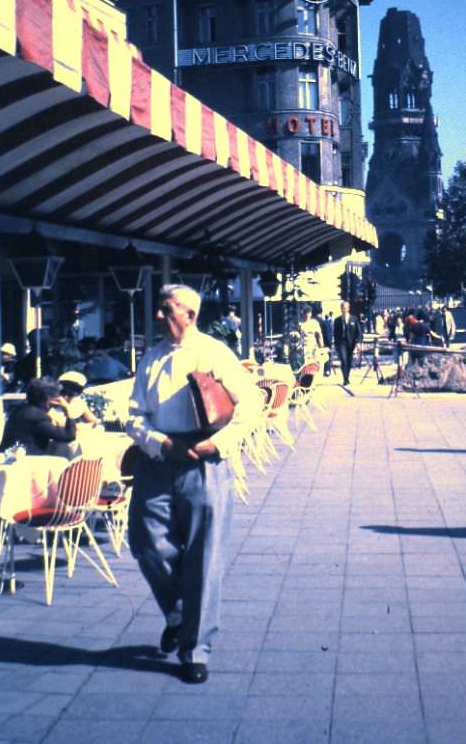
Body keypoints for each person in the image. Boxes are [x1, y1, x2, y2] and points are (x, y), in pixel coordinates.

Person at [127, 284, 264, 684]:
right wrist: (160, 443)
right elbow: (134, 415)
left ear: (189, 314)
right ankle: (179, 613)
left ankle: (195, 650)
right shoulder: (150, 359)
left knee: (204, 555)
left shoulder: (214, 353)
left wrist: (215, 444)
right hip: (159, 459)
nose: (158, 316)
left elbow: (251, 405)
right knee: (146, 541)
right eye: (159, 309)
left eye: (166, 309)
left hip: (205, 462)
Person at [0, 377, 78, 455]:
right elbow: (69, 436)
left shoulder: (21, 410)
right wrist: (67, 410)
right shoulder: (38, 417)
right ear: (49, 398)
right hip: (24, 459)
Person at [333, 301, 362, 386]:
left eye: (345, 308)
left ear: (348, 309)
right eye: (342, 308)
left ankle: (347, 377)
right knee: (343, 360)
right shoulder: (337, 320)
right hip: (341, 343)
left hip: (351, 343)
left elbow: (359, 332)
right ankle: (345, 379)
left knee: (349, 361)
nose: (343, 310)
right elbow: (335, 334)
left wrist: (358, 343)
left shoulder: (354, 319)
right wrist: (335, 345)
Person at [321, 311, 334, 376]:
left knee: (324, 356)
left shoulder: (323, 322)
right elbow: (330, 333)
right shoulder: (329, 323)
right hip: (328, 341)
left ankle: (325, 370)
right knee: (328, 356)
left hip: (323, 342)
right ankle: (328, 370)